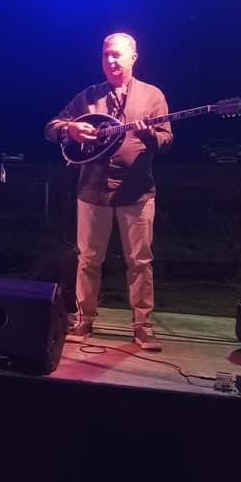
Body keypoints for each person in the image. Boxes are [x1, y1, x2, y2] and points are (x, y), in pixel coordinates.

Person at [44, 32, 173, 351]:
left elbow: (166, 139)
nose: (111, 60)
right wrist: (70, 129)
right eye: (106, 55)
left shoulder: (152, 95)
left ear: (133, 57)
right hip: (93, 190)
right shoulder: (89, 97)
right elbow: (51, 127)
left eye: (117, 54)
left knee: (140, 261)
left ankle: (142, 325)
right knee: (88, 259)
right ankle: (84, 320)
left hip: (137, 192)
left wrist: (149, 136)